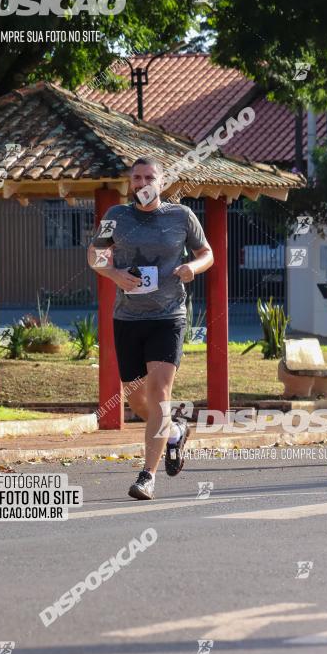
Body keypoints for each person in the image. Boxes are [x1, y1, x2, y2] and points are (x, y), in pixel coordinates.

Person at [87, 156, 214, 500]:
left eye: (149, 177)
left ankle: (147, 476)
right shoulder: (117, 217)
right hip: (128, 317)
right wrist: (114, 274)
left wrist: (193, 267)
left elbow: (207, 252)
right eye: (137, 178)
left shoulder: (180, 216)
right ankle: (173, 431)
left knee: (159, 393)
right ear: (131, 183)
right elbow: (95, 255)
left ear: (161, 182)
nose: (143, 183)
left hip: (168, 316)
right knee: (137, 397)